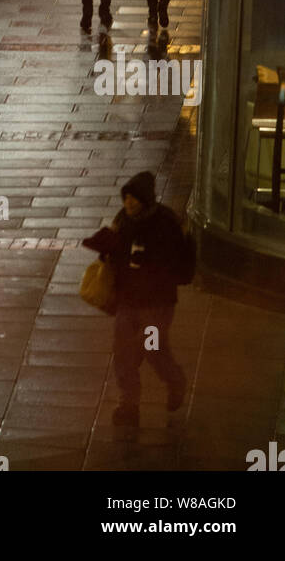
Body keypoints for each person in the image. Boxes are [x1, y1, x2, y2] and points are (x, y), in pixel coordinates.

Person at [83, 171, 188, 435]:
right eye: (126, 198)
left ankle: (175, 381)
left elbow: (177, 261)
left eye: (133, 199)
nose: (128, 204)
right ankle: (128, 405)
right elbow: (116, 248)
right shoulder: (123, 220)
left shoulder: (165, 222)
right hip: (128, 302)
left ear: (145, 199)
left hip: (157, 305)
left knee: (152, 349)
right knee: (123, 353)